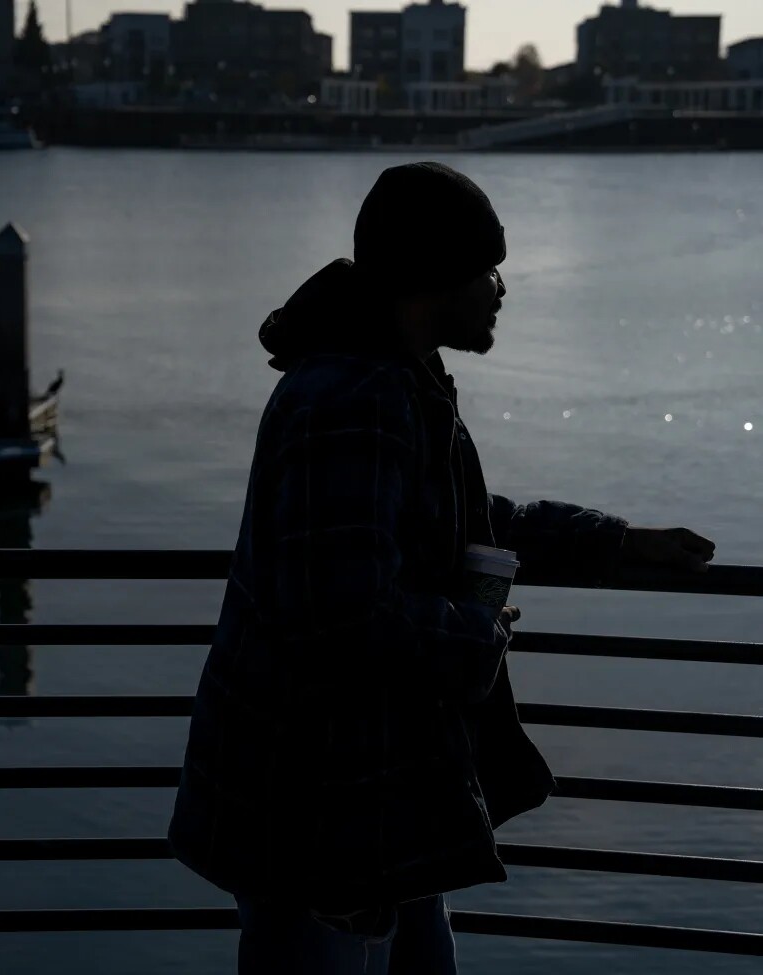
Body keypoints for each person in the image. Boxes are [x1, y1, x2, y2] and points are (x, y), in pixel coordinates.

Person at [168, 162, 715, 974]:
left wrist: (620, 540)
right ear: (433, 277)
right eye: (487, 270)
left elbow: (463, 520)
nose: (501, 290)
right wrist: (478, 633)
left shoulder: (390, 376)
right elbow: (341, 614)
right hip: (322, 818)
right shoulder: (356, 398)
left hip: (374, 798)